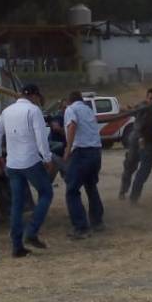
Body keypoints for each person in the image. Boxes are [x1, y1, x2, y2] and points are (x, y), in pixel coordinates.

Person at [0, 83, 55, 257]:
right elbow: (41, 136)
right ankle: (32, 232)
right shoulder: (34, 111)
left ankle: (17, 246)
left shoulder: (7, 111)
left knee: (17, 205)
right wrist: (47, 158)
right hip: (30, 161)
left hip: (12, 164)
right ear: (34, 96)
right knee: (46, 193)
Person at [62, 91, 104, 238]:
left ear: (69, 100)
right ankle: (97, 222)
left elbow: (72, 126)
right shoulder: (88, 110)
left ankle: (81, 228)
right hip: (96, 152)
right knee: (91, 186)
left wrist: (67, 150)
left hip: (82, 152)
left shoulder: (71, 109)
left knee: (72, 190)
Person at [119, 88, 152, 202]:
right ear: (147, 98)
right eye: (150, 98)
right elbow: (130, 110)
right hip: (136, 139)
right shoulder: (143, 106)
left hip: (151, 141)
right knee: (130, 166)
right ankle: (123, 192)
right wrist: (126, 109)